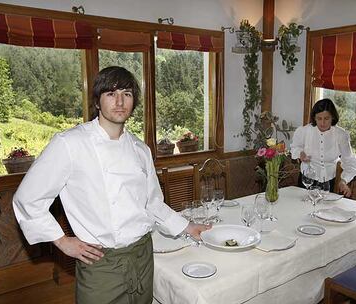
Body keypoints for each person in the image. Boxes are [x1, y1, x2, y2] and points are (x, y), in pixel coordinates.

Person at [12, 66, 210, 304]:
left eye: (126, 93)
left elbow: (153, 203)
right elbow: (27, 198)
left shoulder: (140, 149)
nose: (119, 101)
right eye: (110, 94)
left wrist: (188, 227)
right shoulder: (70, 144)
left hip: (142, 255)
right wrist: (62, 241)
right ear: (97, 101)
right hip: (101, 265)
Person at [290, 98, 356, 197]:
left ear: (333, 118)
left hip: (329, 183)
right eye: (319, 118)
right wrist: (300, 153)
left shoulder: (341, 135)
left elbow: (350, 161)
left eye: (326, 118)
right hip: (306, 181)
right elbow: (294, 147)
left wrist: (343, 181)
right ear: (314, 118)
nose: (322, 123)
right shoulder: (304, 131)